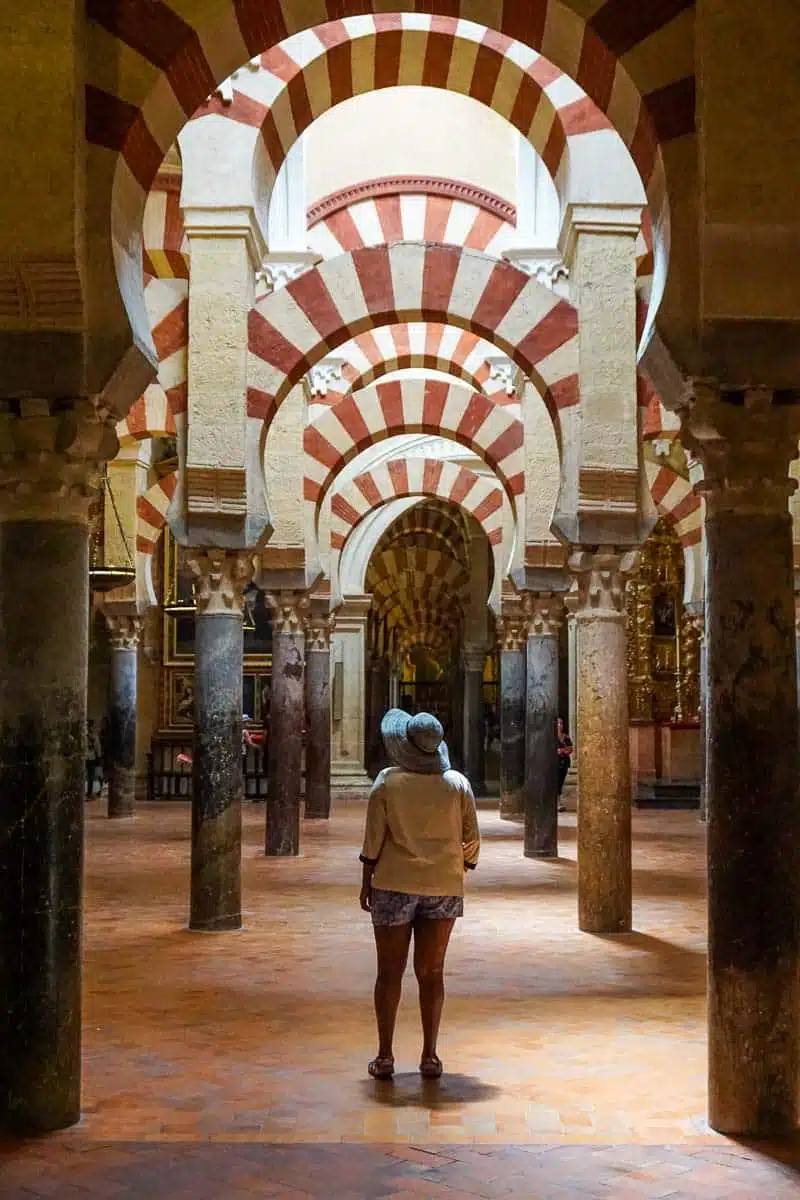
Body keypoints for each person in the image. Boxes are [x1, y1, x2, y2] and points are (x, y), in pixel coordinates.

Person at [359, 709, 480, 1081]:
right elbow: (471, 837)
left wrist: (366, 881)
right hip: (443, 886)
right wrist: (464, 865)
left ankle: (384, 1056)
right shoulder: (457, 783)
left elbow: (373, 839)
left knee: (389, 973)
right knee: (432, 972)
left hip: (393, 884)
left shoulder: (387, 782)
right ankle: (430, 1056)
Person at [556, 716, 573, 812]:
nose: (559, 725)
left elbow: (570, 749)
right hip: (554, 763)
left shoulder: (565, 737)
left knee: (560, 782)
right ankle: (557, 802)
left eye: (561, 723)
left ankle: (559, 801)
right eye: (557, 723)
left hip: (564, 762)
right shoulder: (550, 737)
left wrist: (561, 750)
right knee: (555, 782)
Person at [85, 720, 102, 799]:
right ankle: (89, 792)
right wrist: (99, 756)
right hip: (89, 757)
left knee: (90, 776)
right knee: (90, 776)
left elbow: (97, 747)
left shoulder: (90, 736)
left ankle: (89, 792)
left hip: (88, 757)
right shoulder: (93, 736)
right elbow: (97, 748)